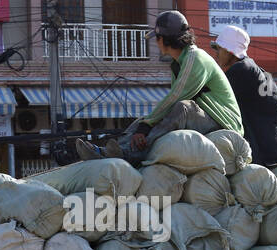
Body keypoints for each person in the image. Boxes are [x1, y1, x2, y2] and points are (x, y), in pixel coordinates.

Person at [75, 11, 243, 165]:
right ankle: (110, 151)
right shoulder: (178, 64)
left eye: (157, 38)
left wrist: (147, 126)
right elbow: (167, 105)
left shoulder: (195, 58)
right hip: (205, 117)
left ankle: (131, 154)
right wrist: (144, 124)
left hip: (224, 123)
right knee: (146, 119)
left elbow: (175, 97)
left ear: (164, 39)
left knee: (182, 108)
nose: (156, 43)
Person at [209, 24, 277, 169]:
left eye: (219, 49)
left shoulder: (241, 71)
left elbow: (214, 100)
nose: (216, 53)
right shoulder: (256, 70)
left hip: (266, 153)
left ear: (229, 51)